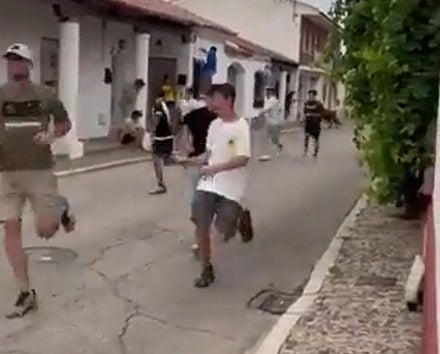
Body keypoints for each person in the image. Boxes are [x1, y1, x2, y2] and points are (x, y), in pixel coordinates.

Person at [0, 43, 76, 318]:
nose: (14, 65)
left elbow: (65, 123)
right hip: (7, 174)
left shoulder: (46, 95)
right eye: (10, 60)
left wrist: (53, 134)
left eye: (19, 60)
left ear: (29, 66)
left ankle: (61, 207)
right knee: (10, 230)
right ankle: (24, 291)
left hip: (39, 171)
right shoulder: (0, 94)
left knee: (46, 230)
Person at [187, 83, 252, 288]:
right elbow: (209, 155)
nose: (210, 102)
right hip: (208, 185)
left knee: (222, 231)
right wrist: (188, 160)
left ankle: (239, 218)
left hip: (232, 189)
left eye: (213, 98)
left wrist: (214, 168)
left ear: (228, 99)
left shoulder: (241, 126)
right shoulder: (214, 125)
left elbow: (242, 159)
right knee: (201, 223)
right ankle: (206, 269)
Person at [176, 88, 218, 257]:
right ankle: (202, 237)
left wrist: (186, 159)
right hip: (197, 167)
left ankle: (203, 242)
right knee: (196, 208)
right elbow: (186, 142)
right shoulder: (194, 120)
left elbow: (209, 155)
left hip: (212, 168)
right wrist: (184, 154)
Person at [149, 96, 173, 195]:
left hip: (160, 139)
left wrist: (152, 134)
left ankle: (160, 185)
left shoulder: (157, 110)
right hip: (168, 138)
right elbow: (171, 125)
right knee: (167, 159)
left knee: (157, 161)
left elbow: (155, 123)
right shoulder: (167, 112)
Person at [303, 89, 325, 158]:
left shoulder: (319, 104)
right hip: (308, 123)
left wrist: (312, 115)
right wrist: (305, 117)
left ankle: (315, 151)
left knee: (316, 139)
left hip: (315, 124)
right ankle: (305, 151)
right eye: (309, 95)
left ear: (314, 96)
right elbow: (305, 112)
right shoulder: (306, 103)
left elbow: (322, 114)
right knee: (306, 137)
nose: (310, 96)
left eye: (312, 95)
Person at [263, 88, 283, 157]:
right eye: (267, 93)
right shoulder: (277, 101)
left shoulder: (271, 101)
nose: (267, 94)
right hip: (276, 121)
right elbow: (280, 109)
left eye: (268, 93)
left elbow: (266, 109)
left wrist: (260, 113)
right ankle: (277, 147)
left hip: (272, 122)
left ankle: (276, 148)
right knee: (274, 137)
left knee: (271, 137)